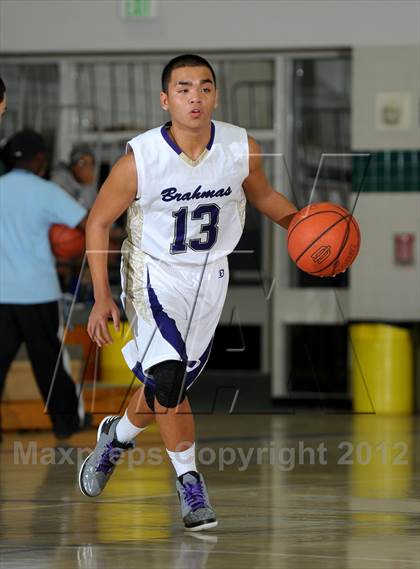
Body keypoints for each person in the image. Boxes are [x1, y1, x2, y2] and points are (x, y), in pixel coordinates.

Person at [78, 54, 297, 530]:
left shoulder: (241, 147)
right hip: (153, 273)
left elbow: (263, 197)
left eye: (203, 87)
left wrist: (304, 225)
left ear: (215, 95)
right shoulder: (140, 159)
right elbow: (97, 221)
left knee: (164, 387)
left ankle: (116, 437)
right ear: (166, 99)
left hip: (209, 276)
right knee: (171, 379)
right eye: (183, 88)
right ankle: (190, 485)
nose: (194, 97)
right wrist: (101, 295)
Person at [0, 129, 88, 439]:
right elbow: (88, 224)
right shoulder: (45, 191)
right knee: (49, 364)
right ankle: (66, 425)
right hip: (37, 293)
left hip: (1, 294)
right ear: (40, 159)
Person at [51, 143, 97, 210]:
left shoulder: (89, 185)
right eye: (82, 162)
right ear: (72, 164)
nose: (87, 167)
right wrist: (85, 186)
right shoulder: (59, 181)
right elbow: (72, 214)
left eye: (90, 163)